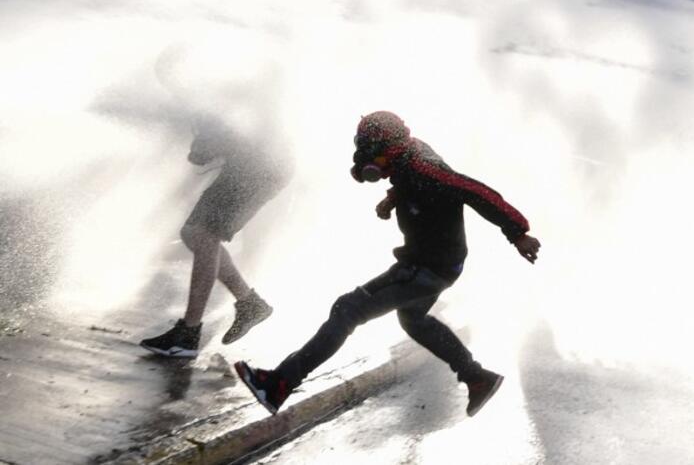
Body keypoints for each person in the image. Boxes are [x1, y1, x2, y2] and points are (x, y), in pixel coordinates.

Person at [234, 111, 540, 418]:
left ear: (387, 147)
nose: (366, 160)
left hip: (425, 267)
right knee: (413, 319)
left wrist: (518, 233)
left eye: (370, 151)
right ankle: (477, 378)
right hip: (439, 263)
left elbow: (475, 191)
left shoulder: (423, 166)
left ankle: (278, 384)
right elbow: (411, 183)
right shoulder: (407, 156)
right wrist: (393, 198)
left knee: (347, 309)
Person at [139, 113, 293, 357]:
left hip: (260, 165)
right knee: (192, 233)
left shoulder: (217, 87)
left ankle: (188, 334)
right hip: (252, 163)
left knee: (204, 235)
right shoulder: (203, 91)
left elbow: (241, 124)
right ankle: (250, 304)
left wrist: (207, 146)